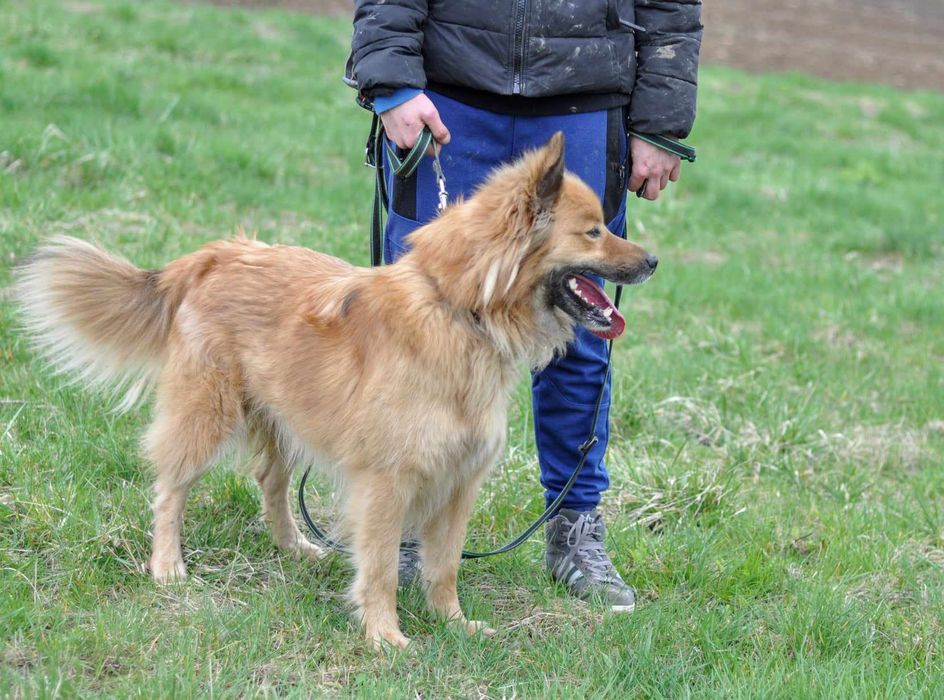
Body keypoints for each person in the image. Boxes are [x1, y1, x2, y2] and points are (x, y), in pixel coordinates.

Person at [346, 0, 702, 611]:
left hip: (585, 96)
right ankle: (396, 527)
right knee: (407, 324)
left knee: (579, 336)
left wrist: (660, 122)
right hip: (446, 96)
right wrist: (392, 79)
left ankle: (575, 528)